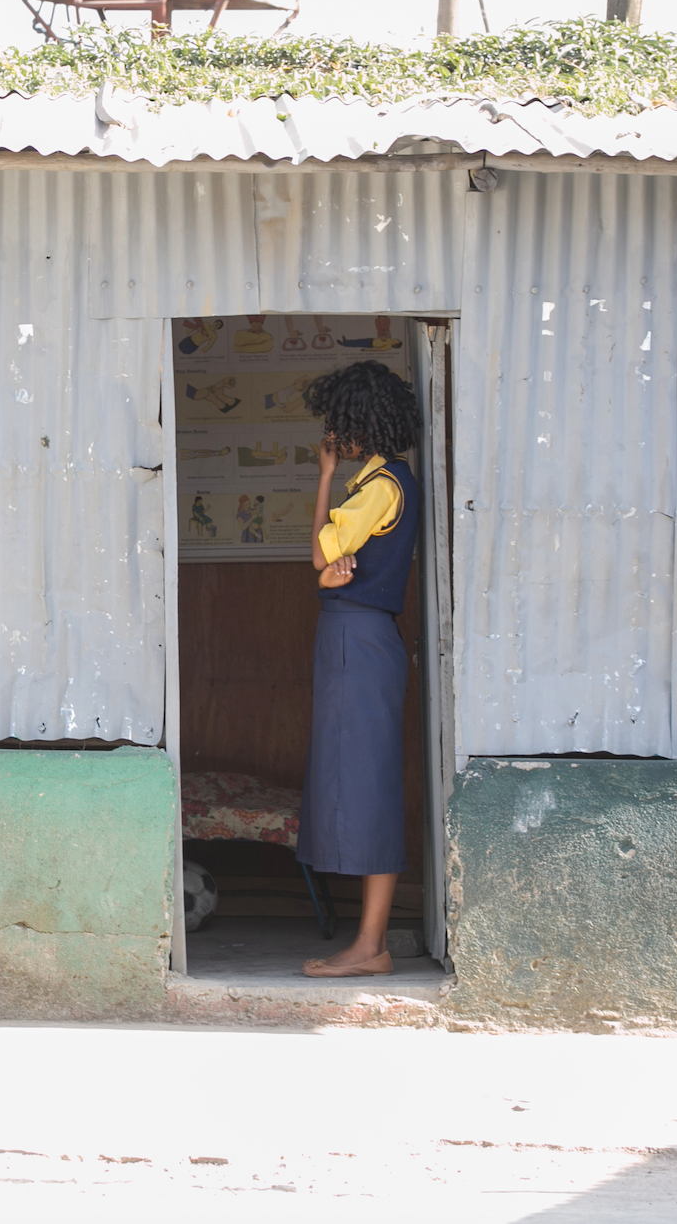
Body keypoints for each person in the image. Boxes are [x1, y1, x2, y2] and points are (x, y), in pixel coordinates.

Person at [296, 360, 421, 978]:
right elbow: (324, 562)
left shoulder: (382, 487)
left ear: (357, 425)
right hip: (355, 638)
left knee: (370, 781)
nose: (332, 435)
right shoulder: (376, 483)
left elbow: (321, 550)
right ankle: (367, 943)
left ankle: (370, 946)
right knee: (360, 775)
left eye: (337, 425)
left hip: (360, 641)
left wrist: (324, 479)